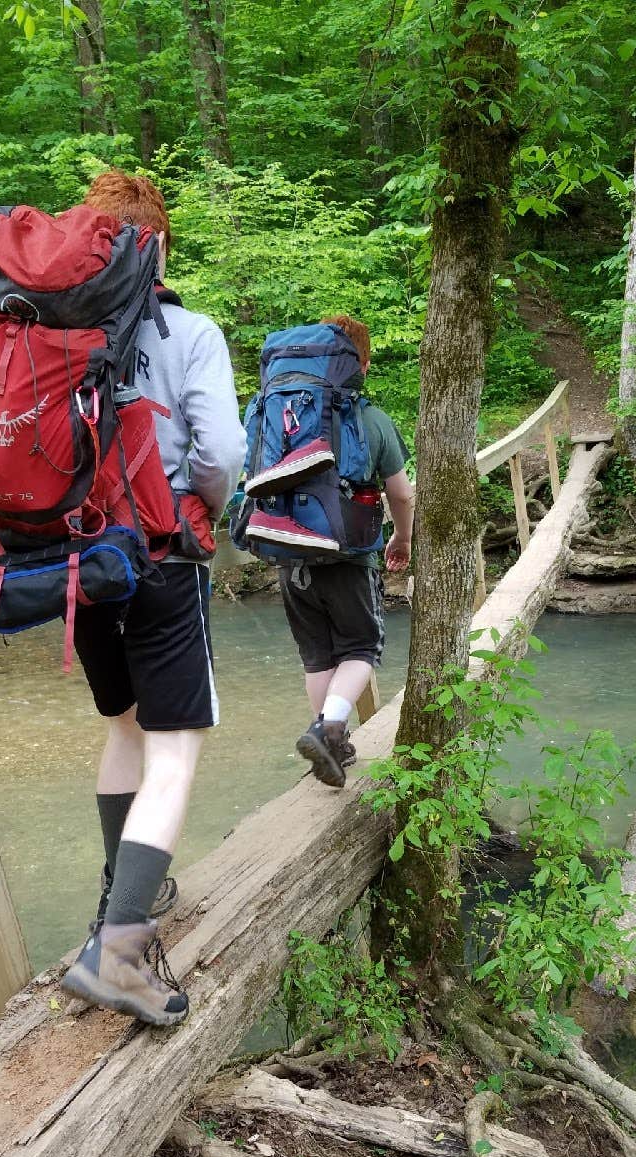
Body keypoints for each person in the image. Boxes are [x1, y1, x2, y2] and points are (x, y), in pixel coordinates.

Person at [60, 170, 246, 1026]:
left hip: (76, 564)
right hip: (162, 559)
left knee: (122, 727)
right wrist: (204, 500)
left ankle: (113, 907)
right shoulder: (191, 330)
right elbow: (221, 450)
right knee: (175, 750)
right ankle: (124, 953)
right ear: (159, 245)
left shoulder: (53, 333)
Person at [282, 314, 415, 788]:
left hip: (290, 550)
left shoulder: (285, 414)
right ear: (364, 363)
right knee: (360, 646)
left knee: (318, 656)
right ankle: (328, 730)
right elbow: (401, 494)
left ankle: (329, 744)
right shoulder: (371, 419)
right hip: (349, 555)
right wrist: (402, 537)